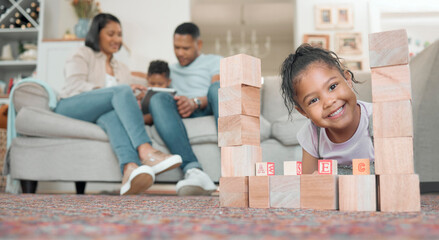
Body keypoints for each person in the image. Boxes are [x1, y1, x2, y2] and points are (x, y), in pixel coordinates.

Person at [55, 13, 182, 195]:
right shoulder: (82, 54)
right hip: (71, 106)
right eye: (111, 33)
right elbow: (74, 86)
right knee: (122, 90)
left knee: (113, 113)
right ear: (97, 33)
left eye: (119, 34)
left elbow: (123, 97)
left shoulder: (121, 68)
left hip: (101, 114)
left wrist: (137, 95)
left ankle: (130, 169)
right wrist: (118, 91)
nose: (117, 39)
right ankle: (146, 151)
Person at [149, 22, 221, 196]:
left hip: (207, 106)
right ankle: (194, 171)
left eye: (186, 48)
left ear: (199, 44)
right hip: (180, 111)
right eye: (176, 47)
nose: (180, 53)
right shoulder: (170, 70)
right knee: (158, 98)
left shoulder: (214, 61)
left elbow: (218, 89)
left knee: (217, 88)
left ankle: (232, 168)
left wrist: (194, 102)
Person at [280, 44, 374, 175]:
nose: (329, 102)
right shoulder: (313, 135)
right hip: (334, 195)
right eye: (313, 100)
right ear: (303, 112)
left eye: (332, 86)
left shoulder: (375, 118)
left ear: (348, 80)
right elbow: (309, 187)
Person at [142, 60, 172, 125]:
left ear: (168, 82)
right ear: (147, 79)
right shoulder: (142, 93)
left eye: (160, 84)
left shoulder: (170, 96)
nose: (156, 87)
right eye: (152, 84)